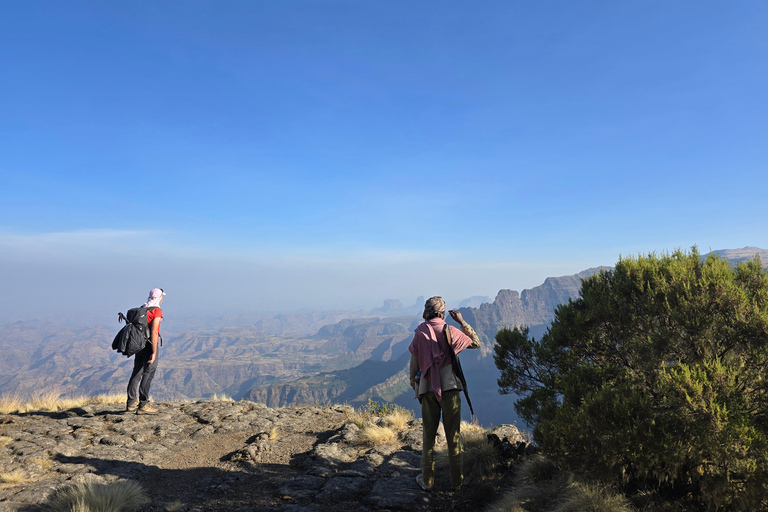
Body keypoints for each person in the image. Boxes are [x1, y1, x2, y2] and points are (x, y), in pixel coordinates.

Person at [409, 296, 481, 491]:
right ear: (442, 312)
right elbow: (476, 343)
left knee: (428, 437)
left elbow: (414, 365)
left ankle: (427, 481)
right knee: (453, 437)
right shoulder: (450, 331)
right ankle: (457, 482)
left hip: (428, 389)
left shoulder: (420, 333)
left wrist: (416, 387)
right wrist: (462, 321)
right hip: (450, 389)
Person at [126, 288, 165, 415]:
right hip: (149, 345)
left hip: (139, 345)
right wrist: (153, 352)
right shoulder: (156, 311)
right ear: (160, 298)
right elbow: (154, 332)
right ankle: (143, 404)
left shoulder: (142, 309)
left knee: (137, 372)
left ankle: (131, 403)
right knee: (148, 373)